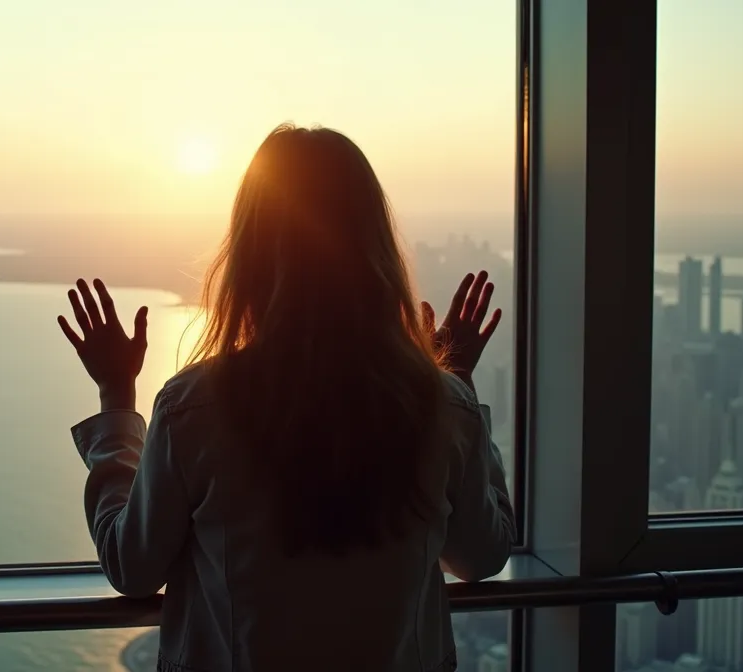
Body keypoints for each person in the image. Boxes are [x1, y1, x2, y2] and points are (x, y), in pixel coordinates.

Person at [57, 123, 515, 672]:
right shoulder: (441, 408)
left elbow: (132, 567)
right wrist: (456, 382)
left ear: (249, 258)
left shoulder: (193, 411)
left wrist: (115, 395)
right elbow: (481, 555)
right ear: (376, 253)